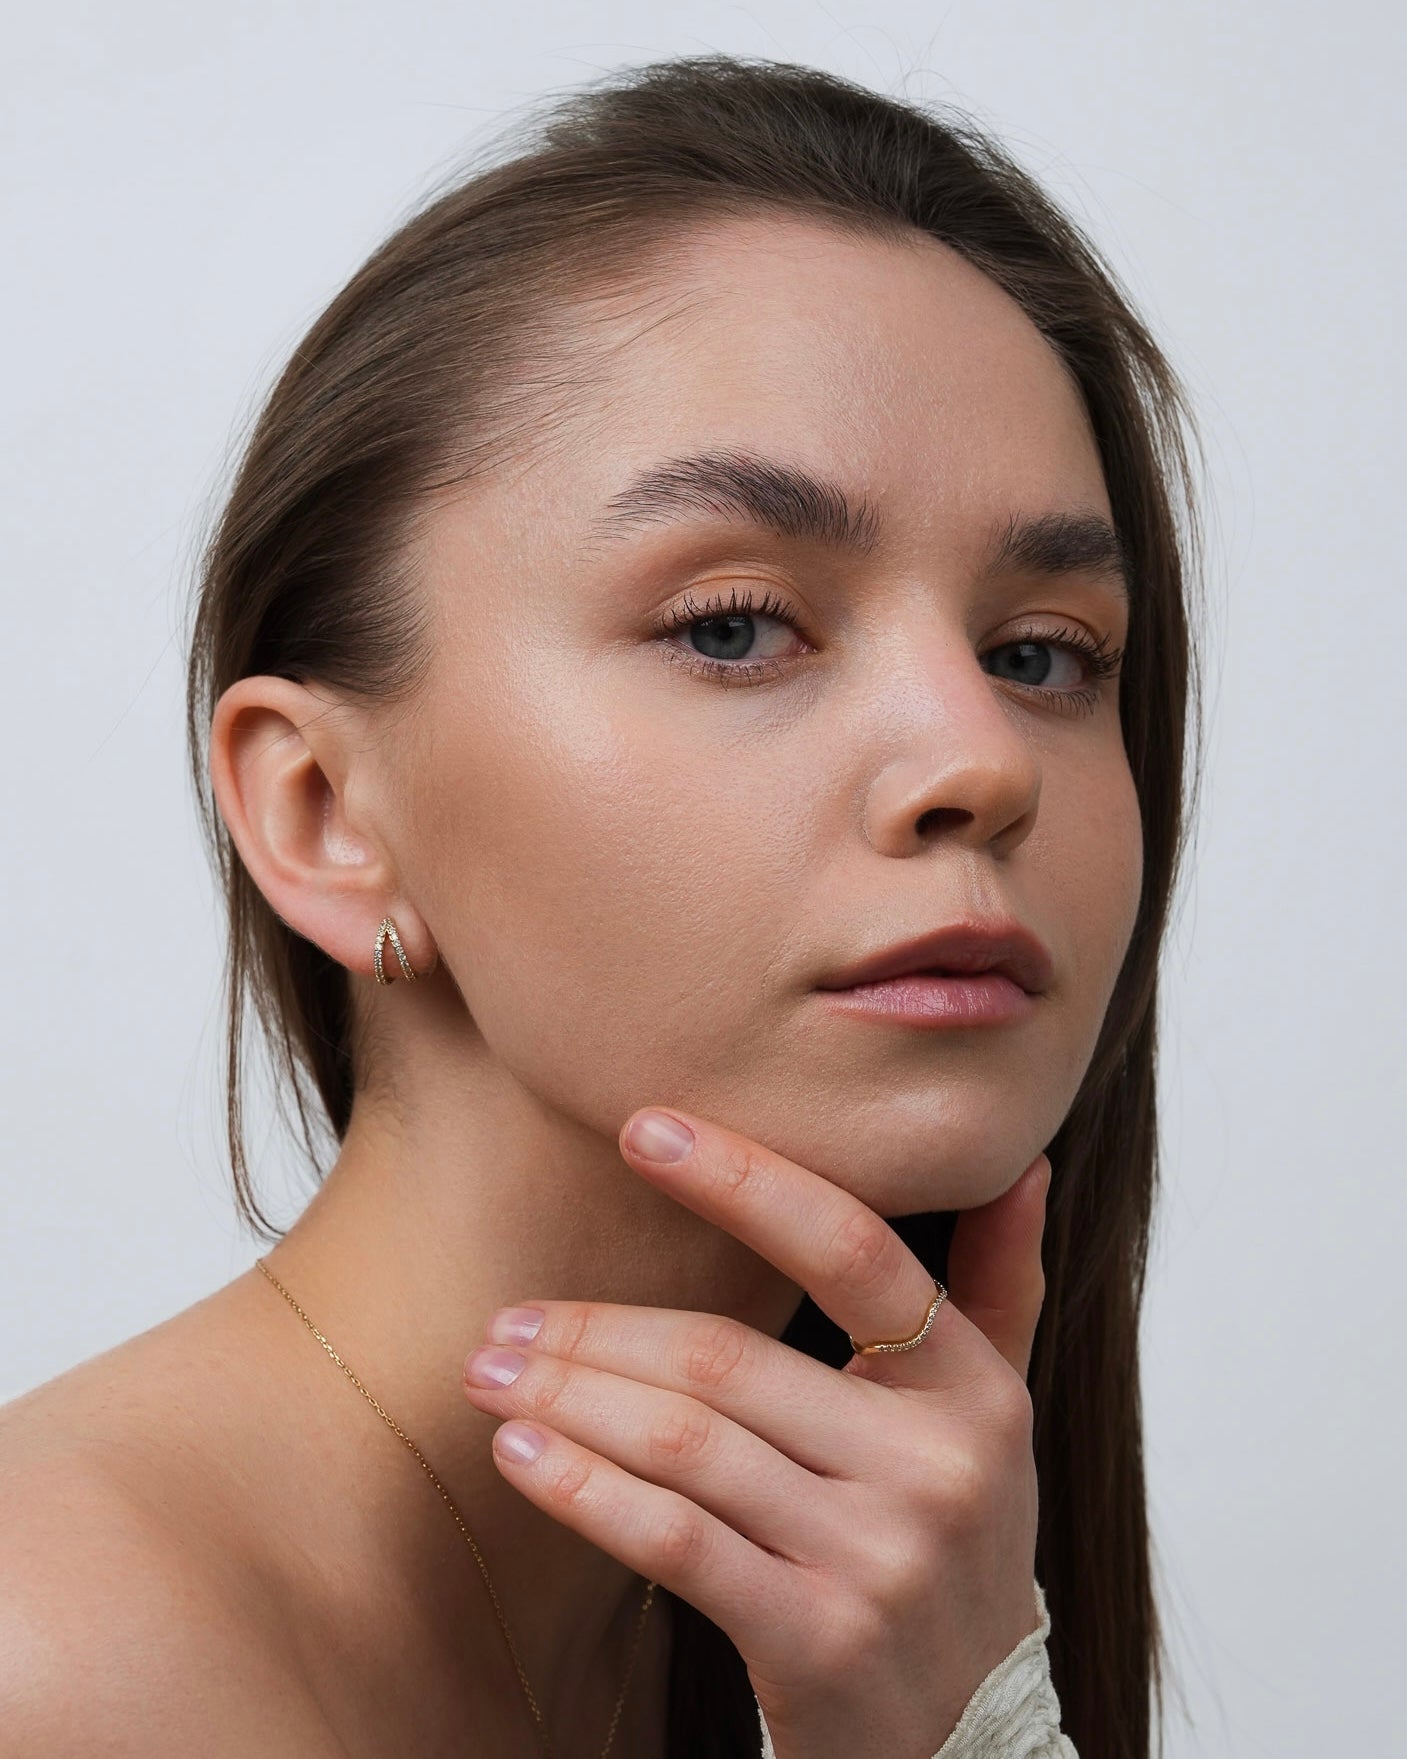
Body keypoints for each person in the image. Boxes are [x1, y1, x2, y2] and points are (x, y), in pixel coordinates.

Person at [0, 51, 1204, 1758]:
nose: (979, 756)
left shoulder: (826, 1617)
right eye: (733, 624)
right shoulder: (59, 1675)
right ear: (328, 813)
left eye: (1043, 653)